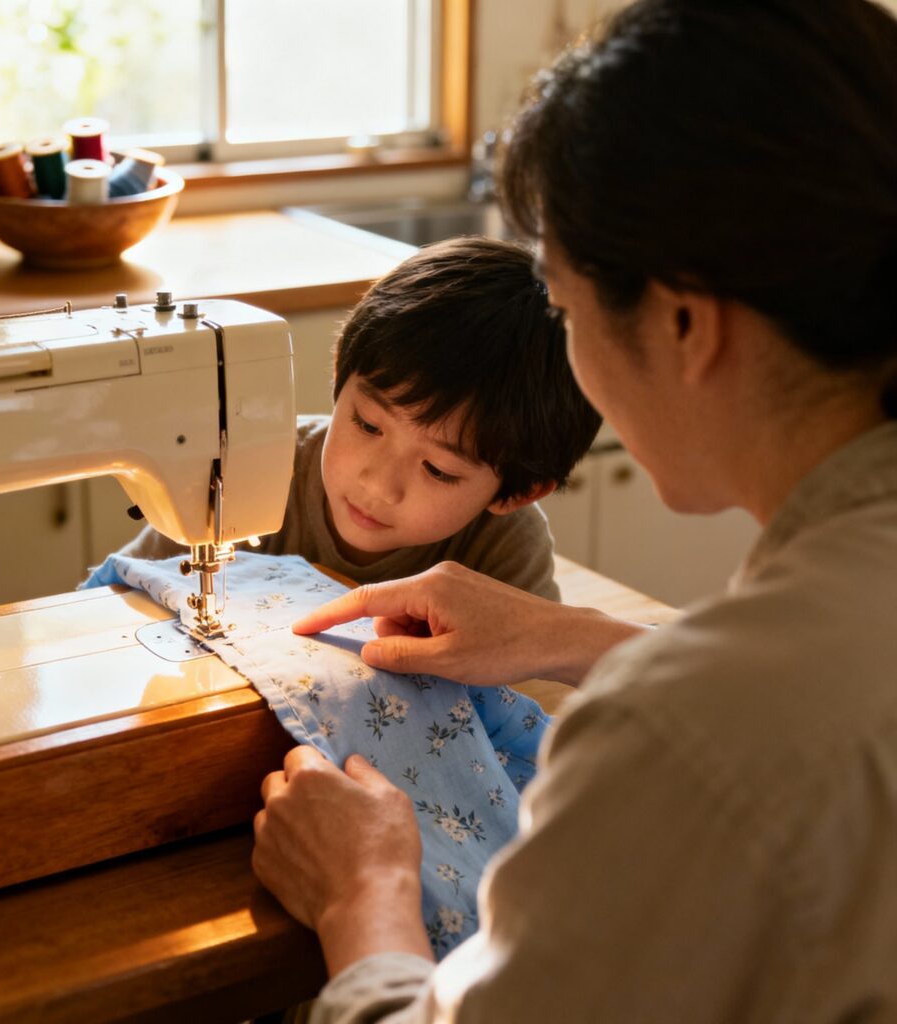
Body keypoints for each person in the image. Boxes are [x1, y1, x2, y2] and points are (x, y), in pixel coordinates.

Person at [250, 1, 897, 1020]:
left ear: (684, 323)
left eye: (561, 304)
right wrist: (576, 636)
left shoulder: (675, 740)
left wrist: (363, 894)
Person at [119, 236, 600, 600]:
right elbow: (118, 601)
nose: (378, 485)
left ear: (518, 492)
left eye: (438, 470)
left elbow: (517, 701)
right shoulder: (250, 469)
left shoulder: (503, 549)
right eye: (368, 425)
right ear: (338, 379)